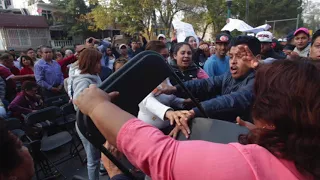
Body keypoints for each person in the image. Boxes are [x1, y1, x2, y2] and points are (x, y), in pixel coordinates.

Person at [74, 57, 319, 180]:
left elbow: (162, 156)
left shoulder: (249, 166)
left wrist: (96, 107)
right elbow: (202, 88)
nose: (233, 60)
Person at [158, 36, 261, 122]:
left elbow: (235, 100)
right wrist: (175, 89)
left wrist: (195, 111)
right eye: (230, 56)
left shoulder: (259, 81)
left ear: (257, 59)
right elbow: (206, 84)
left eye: (240, 57)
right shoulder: (229, 76)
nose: (233, 61)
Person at [138, 40, 192, 136]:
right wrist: (167, 112)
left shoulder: (164, 75)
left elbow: (167, 98)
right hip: (148, 131)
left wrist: (183, 101)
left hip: (167, 128)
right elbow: (147, 100)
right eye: (162, 56)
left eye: (167, 56)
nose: (166, 60)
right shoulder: (143, 76)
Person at [70, 48, 104, 180]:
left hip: (95, 122)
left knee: (99, 155)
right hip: (86, 125)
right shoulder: (83, 81)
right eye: (97, 62)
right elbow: (78, 102)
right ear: (89, 63)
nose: (100, 65)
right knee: (92, 159)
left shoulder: (94, 76)